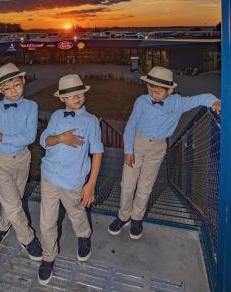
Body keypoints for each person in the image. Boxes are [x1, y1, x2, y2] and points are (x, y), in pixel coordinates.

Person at [108, 66, 221, 240]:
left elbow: (200, 98)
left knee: (145, 186)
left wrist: (213, 101)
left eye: (158, 92)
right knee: (128, 184)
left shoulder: (178, 103)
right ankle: (123, 216)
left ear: (170, 90)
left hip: (158, 148)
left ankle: (137, 218)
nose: (153, 95)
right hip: (137, 144)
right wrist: (128, 150)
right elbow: (130, 125)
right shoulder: (141, 101)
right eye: (150, 90)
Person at [38, 74, 103, 285]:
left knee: (77, 214)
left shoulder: (91, 121)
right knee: (46, 221)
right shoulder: (56, 116)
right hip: (49, 176)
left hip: (73, 180)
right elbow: (44, 140)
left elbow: (97, 153)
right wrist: (60, 138)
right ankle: (48, 257)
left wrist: (90, 185)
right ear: (62, 99)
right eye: (70, 96)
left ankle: (84, 236)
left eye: (79, 94)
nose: (75, 98)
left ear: (84, 95)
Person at [0, 63, 42, 261]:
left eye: (16, 85)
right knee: (14, 205)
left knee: (12, 201)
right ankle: (28, 239)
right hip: (0, 162)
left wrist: (2, 137)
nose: (13, 91)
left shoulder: (31, 106)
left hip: (23, 159)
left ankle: (1, 228)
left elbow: (29, 137)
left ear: (22, 81)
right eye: (6, 88)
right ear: (0, 90)